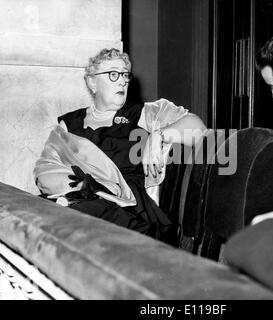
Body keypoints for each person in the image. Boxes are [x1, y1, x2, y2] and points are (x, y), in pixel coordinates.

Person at [34, 48, 206, 242]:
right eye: (113, 74)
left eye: (125, 74)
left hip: (128, 209)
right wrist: (82, 189)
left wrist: (159, 135)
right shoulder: (69, 123)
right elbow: (44, 170)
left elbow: (198, 129)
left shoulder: (141, 113)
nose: (123, 80)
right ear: (92, 82)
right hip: (79, 200)